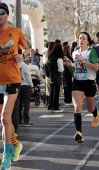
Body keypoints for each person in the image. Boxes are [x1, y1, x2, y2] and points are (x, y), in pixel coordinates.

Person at [0, 2, 29, 169]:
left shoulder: (16, 32)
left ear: (7, 15)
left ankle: (5, 156)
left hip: (12, 79)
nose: (0, 16)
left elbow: (26, 48)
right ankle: (16, 144)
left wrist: (22, 55)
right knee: (4, 121)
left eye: (2, 12)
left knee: (5, 117)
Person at [72, 32, 99, 143]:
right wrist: (71, 66)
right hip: (77, 81)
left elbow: (96, 68)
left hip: (89, 81)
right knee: (77, 107)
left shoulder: (91, 52)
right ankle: (78, 133)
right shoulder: (74, 52)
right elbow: (75, 66)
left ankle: (95, 113)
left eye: (84, 38)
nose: (81, 40)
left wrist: (83, 60)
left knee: (90, 108)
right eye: (80, 38)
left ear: (88, 41)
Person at [48, 43, 64, 112]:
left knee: (52, 91)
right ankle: (55, 106)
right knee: (56, 92)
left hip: (50, 76)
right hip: (57, 76)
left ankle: (50, 105)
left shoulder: (50, 57)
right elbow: (61, 69)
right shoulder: (59, 58)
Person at [18, 58, 34, 127]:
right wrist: (32, 86)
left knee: (19, 104)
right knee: (26, 104)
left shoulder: (15, 65)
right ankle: (26, 120)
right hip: (25, 85)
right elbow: (28, 77)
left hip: (18, 85)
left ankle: (19, 120)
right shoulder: (25, 66)